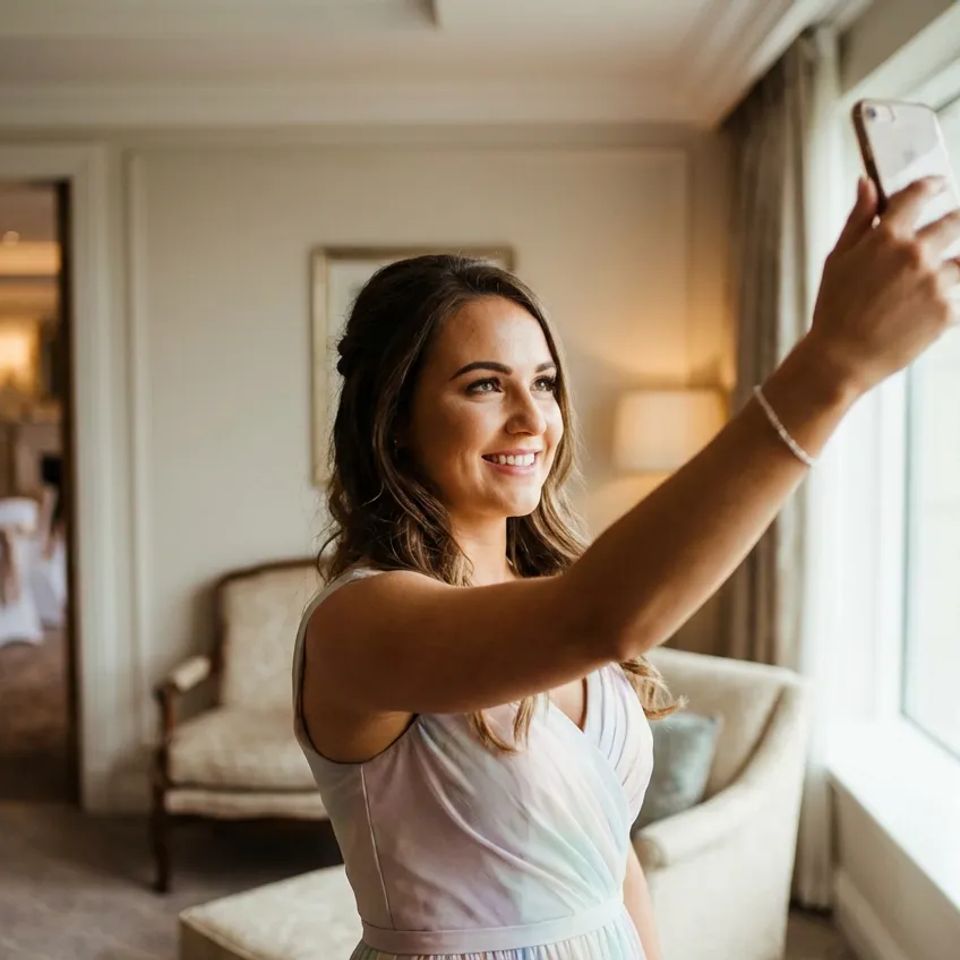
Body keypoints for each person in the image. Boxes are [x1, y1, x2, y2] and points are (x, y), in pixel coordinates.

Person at [291, 173, 960, 960]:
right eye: (485, 386)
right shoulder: (359, 622)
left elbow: (611, 858)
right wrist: (832, 366)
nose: (532, 418)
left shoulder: (544, 591)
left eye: (544, 384)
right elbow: (602, 618)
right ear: (394, 419)